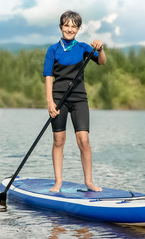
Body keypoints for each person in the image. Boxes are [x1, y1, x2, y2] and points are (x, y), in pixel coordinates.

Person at [42, 10, 106, 192]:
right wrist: (50, 102)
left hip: (79, 99)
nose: (69, 29)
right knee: (58, 140)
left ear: (78, 29)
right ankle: (58, 182)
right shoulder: (52, 50)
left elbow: (102, 62)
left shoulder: (84, 47)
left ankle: (89, 181)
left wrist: (100, 49)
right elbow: (48, 76)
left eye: (74, 26)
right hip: (58, 99)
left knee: (84, 140)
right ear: (61, 26)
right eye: (66, 25)